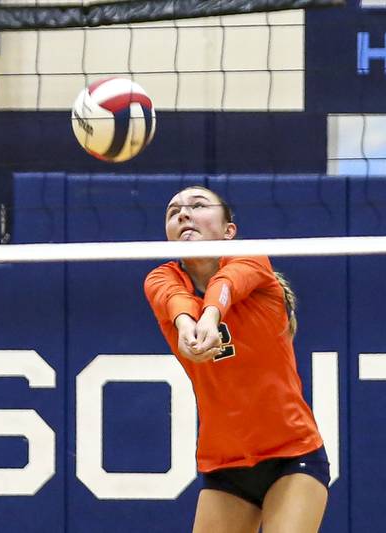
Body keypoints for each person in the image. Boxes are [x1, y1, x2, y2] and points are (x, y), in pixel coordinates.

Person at [143, 186, 329, 533]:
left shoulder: (251, 260)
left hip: (291, 454)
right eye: (173, 212)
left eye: (198, 206)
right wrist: (187, 326)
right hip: (225, 464)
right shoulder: (161, 278)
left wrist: (210, 318)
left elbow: (228, 282)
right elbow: (173, 300)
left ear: (229, 231)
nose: (183, 214)